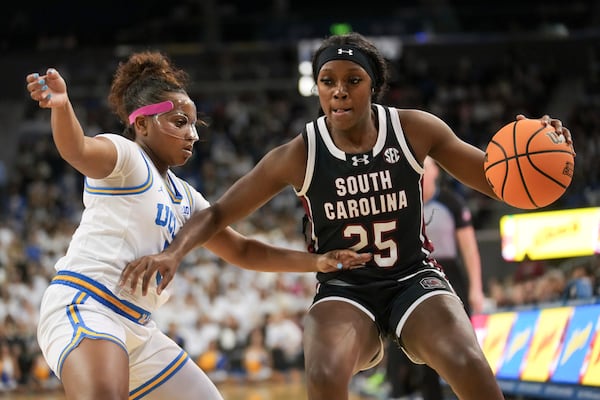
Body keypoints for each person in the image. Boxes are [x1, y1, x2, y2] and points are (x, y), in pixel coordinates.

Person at [121, 33, 574, 400]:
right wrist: (175, 253)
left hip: (412, 278)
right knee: (322, 373)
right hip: (344, 287)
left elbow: (500, 183)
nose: (339, 90)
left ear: (372, 86)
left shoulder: (415, 129)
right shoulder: (299, 153)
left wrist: (545, 156)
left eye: (352, 79)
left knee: (468, 362)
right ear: (317, 87)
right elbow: (219, 212)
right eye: (327, 80)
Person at [25, 51, 371, 400]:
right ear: (141, 124)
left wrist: (317, 262)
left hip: (139, 326)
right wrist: (62, 106)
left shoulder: (186, 196)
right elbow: (77, 150)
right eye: (179, 122)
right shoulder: (126, 157)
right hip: (87, 303)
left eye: (194, 124)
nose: (192, 134)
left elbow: (243, 250)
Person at [385, 155, 485, 399]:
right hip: (413, 273)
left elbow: (470, 249)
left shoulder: (452, 203)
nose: (419, 170)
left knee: (460, 343)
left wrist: (476, 288)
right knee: (412, 345)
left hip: (449, 274)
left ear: (436, 172)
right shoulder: (403, 202)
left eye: (425, 166)